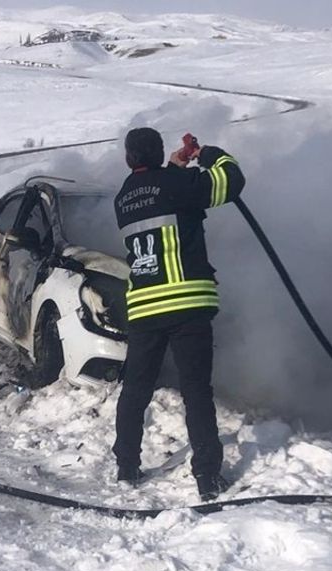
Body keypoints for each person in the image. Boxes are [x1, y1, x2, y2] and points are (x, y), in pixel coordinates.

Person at [112, 127, 246, 501]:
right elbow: (231, 181)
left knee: (135, 389)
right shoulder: (177, 184)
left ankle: (126, 465)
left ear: (129, 160)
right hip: (187, 304)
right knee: (196, 392)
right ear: (156, 155)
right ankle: (207, 477)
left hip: (143, 309)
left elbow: (156, 190)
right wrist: (207, 154)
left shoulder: (123, 196)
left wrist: (173, 166)